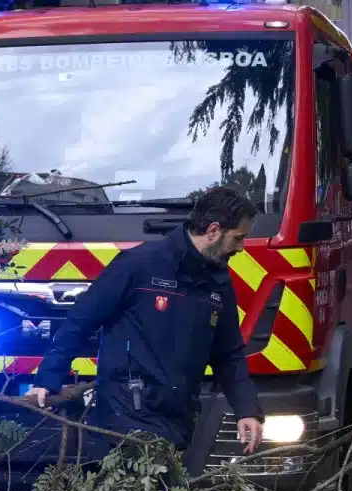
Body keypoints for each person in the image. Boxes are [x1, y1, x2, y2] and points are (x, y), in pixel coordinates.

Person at [30, 185, 265, 457]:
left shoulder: (218, 281)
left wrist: (247, 410)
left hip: (177, 422)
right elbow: (80, 322)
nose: (242, 247)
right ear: (214, 231)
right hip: (123, 421)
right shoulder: (139, 264)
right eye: (238, 238)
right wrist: (48, 379)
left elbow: (228, 354)